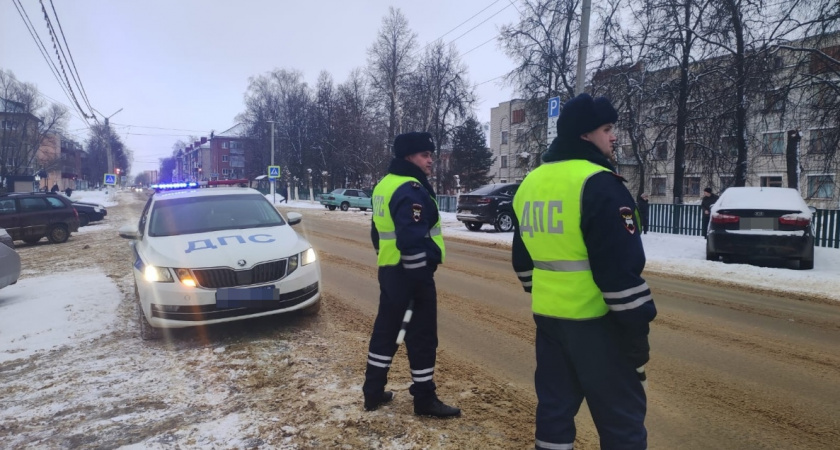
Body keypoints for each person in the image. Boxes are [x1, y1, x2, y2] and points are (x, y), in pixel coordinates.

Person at [511, 93, 657, 450]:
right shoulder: (600, 184)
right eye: (607, 129)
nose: (614, 136)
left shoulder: (531, 183)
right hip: (599, 323)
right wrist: (637, 334)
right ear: (584, 135)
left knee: (555, 413)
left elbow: (523, 260)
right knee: (622, 420)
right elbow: (620, 272)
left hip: (549, 319)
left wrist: (548, 292)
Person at [363, 131, 460, 418]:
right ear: (409, 157)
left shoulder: (384, 185)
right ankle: (424, 399)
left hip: (391, 271)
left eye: (430, 154)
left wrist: (387, 261)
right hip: (412, 275)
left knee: (386, 331)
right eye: (425, 155)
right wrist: (420, 281)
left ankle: (373, 392)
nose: (431, 160)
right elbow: (412, 240)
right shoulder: (411, 189)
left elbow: (376, 233)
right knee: (422, 336)